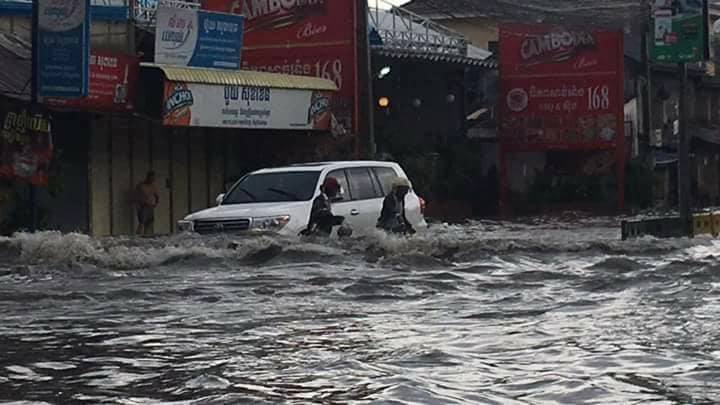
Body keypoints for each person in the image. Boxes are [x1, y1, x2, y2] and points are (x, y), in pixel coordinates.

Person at [134, 171, 159, 236]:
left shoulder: (153, 186)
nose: (152, 180)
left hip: (150, 206)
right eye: (151, 178)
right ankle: (138, 235)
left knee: (150, 222)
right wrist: (138, 206)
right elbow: (136, 196)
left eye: (153, 178)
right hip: (143, 206)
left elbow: (156, 196)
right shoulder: (141, 186)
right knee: (142, 222)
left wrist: (156, 203)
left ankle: (147, 235)